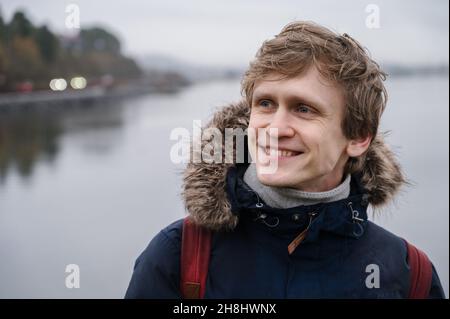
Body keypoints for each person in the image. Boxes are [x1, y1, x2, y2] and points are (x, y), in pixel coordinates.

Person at [125, 21, 445, 298]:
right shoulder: (180, 258)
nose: (275, 129)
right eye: (265, 103)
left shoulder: (409, 276)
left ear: (359, 137)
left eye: (304, 109)